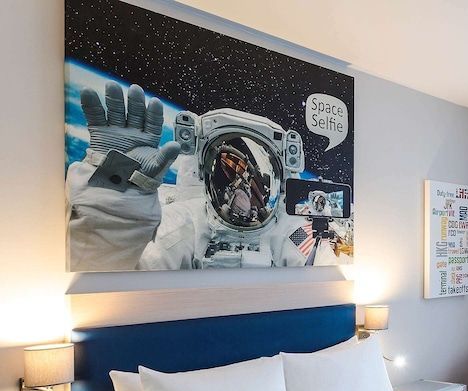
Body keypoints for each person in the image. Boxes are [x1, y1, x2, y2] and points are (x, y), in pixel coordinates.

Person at [67, 82, 312, 271]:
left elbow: (316, 257)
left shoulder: (289, 232)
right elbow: (108, 276)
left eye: (248, 180)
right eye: (232, 179)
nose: (241, 188)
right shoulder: (185, 224)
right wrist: (112, 220)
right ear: (203, 174)